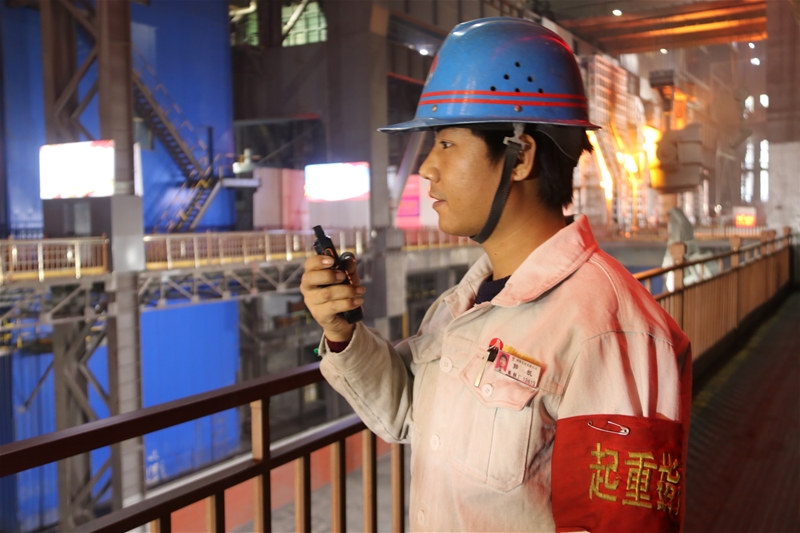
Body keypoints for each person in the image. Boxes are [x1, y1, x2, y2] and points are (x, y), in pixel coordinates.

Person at [301, 17, 691, 533]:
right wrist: (342, 332)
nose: (426, 168)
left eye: (446, 144)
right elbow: (406, 412)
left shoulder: (611, 332)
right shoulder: (463, 304)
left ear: (519, 156)